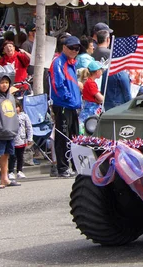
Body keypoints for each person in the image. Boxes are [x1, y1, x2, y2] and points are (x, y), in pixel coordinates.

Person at [49, 35, 82, 177]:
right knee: (63, 137)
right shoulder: (58, 62)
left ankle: (75, 165)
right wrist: (68, 98)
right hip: (63, 105)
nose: (75, 50)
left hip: (72, 105)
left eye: (77, 48)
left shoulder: (71, 63)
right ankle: (62, 168)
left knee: (74, 136)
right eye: (72, 48)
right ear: (64, 47)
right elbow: (58, 85)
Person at [93, 29, 132, 111]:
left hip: (106, 105)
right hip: (118, 106)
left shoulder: (105, 72)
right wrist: (131, 107)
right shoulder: (121, 73)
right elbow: (127, 94)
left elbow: (103, 89)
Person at [8, 99, 33, 181]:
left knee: (20, 156)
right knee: (12, 156)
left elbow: (29, 127)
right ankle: (11, 171)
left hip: (21, 139)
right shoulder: (9, 116)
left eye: (17, 107)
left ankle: (20, 171)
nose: (16, 109)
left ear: (20, 107)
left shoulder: (24, 116)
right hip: (11, 139)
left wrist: (30, 138)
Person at [79, 61, 104, 131]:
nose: (102, 72)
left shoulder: (89, 82)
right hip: (90, 112)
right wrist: (102, 98)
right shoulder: (91, 83)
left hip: (89, 110)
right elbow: (101, 98)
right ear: (97, 72)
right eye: (101, 70)